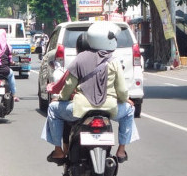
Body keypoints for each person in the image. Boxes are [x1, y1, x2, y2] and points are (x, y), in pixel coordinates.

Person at [44, 22, 136, 165]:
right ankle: (121, 150)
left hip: (80, 110)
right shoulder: (114, 61)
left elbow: (69, 86)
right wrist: (125, 100)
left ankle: (58, 151)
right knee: (130, 111)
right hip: (110, 109)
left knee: (53, 110)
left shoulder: (80, 58)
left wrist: (61, 99)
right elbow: (122, 90)